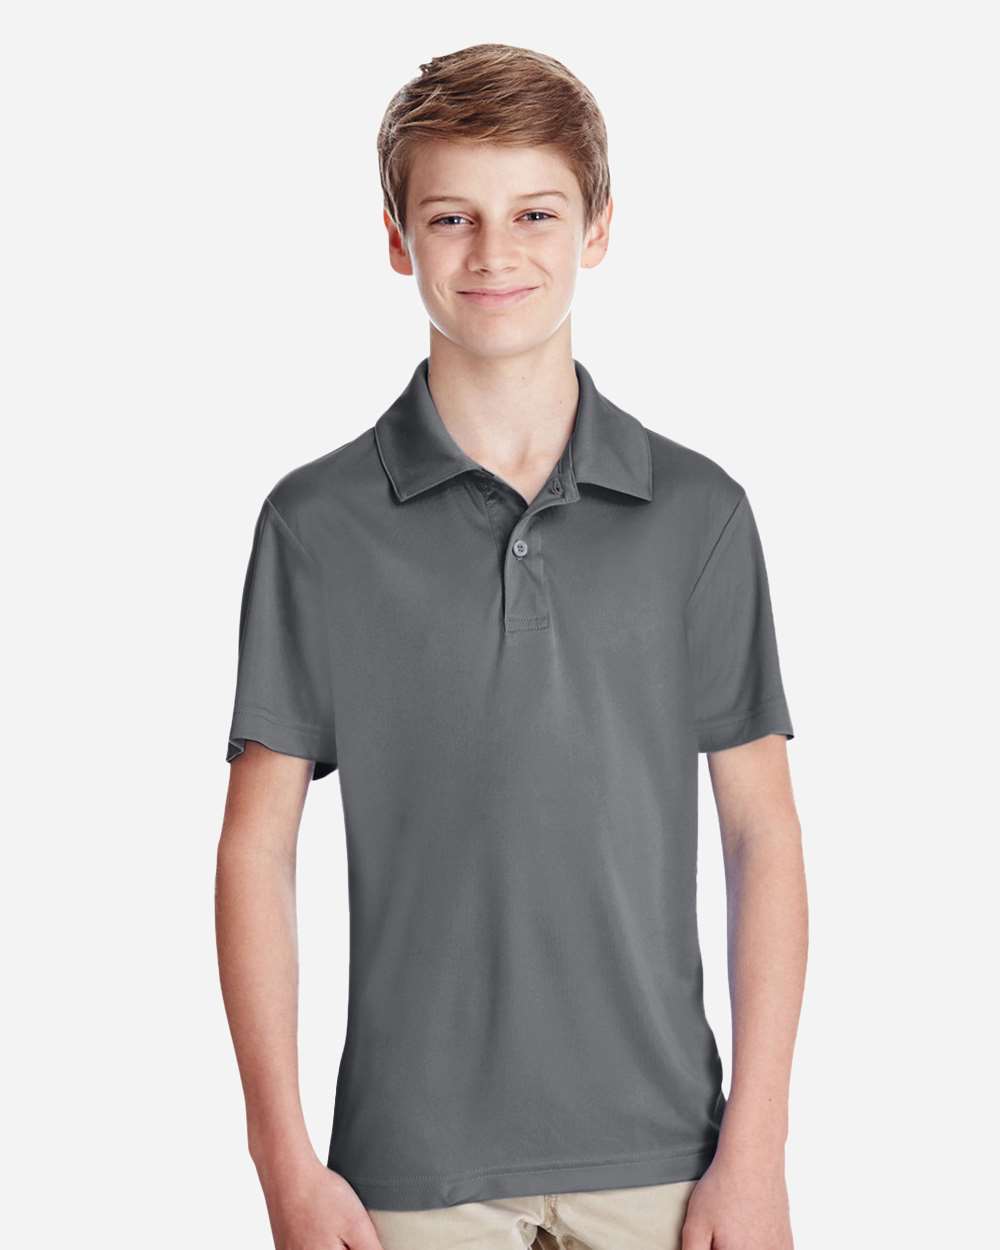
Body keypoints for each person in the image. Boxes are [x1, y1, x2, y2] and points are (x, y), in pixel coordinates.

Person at [216, 41, 806, 1250]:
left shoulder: (698, 515)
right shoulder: (314, 526)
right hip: (405, 1169)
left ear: (598, 227)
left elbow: (761, 832)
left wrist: (755, 1150)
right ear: (398, 240)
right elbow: (256, 849)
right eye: (452, 216)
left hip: (668, 1156)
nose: (494, 252)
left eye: (535, 212)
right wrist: (283, 1161)